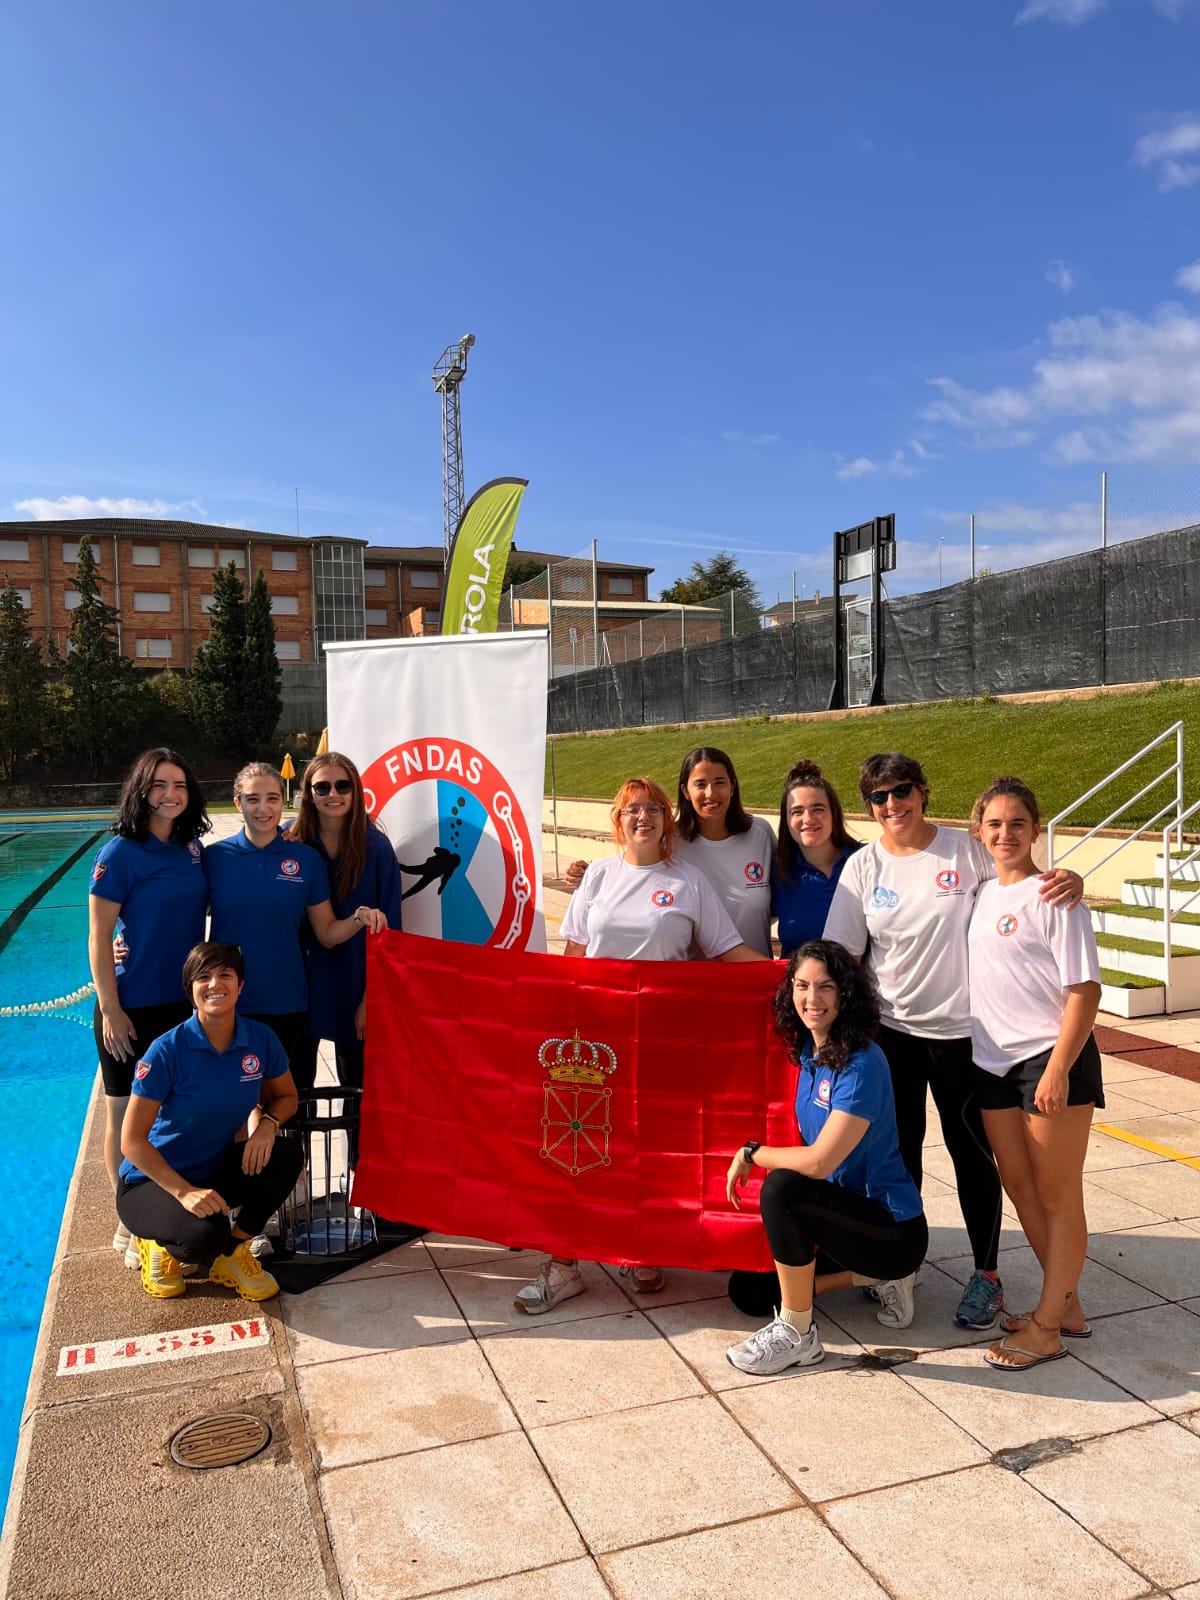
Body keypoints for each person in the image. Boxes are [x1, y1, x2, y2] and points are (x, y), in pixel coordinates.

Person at [823, 751, 1083, 1330]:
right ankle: (901, 1268)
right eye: (880, 796)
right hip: (892, 1036)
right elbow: (843, 956)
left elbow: (1024, 881)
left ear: (923, 791)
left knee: (973, 1159)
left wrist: (1070, 877)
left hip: (965, 1037)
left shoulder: (965, 852)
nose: (893, 804)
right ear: (869, 806)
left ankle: (986, 1275)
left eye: (902, 790)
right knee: (900, 1153)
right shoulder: (864, 868)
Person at [516, 776, 765, 1314]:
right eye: (632, 810)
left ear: (667, 820)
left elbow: (727, 951)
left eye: (654, 808)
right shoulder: (599, 878)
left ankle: (636, 1247)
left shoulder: (688, 881)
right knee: (576, 1146)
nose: (644, 817)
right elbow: (575, 958)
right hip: (595, 1039)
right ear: (618, 821)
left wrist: (789, 974)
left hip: (660, 1038)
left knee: (645, 1146)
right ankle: (563, 1264)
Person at [724, 940, 928, 1374]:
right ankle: (876, 1279)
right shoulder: (810, 1052)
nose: (811, 999)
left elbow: (819, 1163)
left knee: (782, 1187)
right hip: (843, 1217)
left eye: (825, 987)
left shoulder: (862, 1063)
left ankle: (799, 1334)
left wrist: (752, 1154)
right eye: (802, 986)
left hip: (891, 1229)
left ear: (846, 994)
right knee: (749, 1293)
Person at [966, 777, 1104, 1373]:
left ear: (1036, 828)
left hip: (1050, 1061)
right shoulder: (981, 892)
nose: (1005, 834)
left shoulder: (1055, 896)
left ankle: (1048, 1327)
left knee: (1057, 1193)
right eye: (994, 824)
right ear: (979, 832)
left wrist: (1057, 1070)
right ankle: (1064, 1304)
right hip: (992, 1062)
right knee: (1020, 1187)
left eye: (1017, 823)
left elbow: (1085, 989)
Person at [117, 942, 304, 1301]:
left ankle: (232, 1256)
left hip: (211, 1169)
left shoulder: (259, 1039)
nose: (215, 984)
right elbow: (132, 1142)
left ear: (240, 986)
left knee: (286, 1155)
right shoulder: (167, 1050)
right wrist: (183, 1192)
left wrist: (266, 1124)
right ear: (190, 990)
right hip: (149, 1183)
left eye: (225, 975)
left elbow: (286, 1096)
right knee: (203, 1238)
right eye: (203, 977)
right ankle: (155, 1245)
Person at [88, 748, 211, 1268]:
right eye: (160, 785)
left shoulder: (193, 849)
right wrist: (111, 1008)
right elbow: (98, 935)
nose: (170, 794)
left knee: (174, 1112)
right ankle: (130, 1218)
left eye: (179, 785)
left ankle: (173, 1200)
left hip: (182, 1006)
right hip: (132, 1006)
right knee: (124, 1114)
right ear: (141, 790)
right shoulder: (119, 853)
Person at [203, 762, 388, 1082]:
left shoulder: (306, 859)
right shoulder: (214, 858)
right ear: (238, 802)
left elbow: (327, 933)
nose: (263, 808)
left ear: (282, 802)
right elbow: (177, 908)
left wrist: (358, 918)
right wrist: (124, 935)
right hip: (227, 1003)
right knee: (230, 1112)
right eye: (252, 799)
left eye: (273, 798)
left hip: (287, 1004)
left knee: (293, 1109)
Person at [290, 753, 403, 1093]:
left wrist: (372, 998)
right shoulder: (291, 843)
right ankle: (295, 1150)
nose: (333, 794)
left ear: (356, 791)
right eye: (322, 787)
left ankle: (358, 1151)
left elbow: (390, 931)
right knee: (293, 1092)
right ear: (308, 793)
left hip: (355, 981)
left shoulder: (376, 848)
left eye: (342, 786)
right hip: (300, 982)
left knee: (359, 1094)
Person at [672, 746, 775, 956]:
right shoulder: (669, 843)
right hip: (696, 983)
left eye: (720, 782)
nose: (711, 793)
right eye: (700, 784)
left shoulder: (760, 834)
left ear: (732, 787)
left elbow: (783, 897)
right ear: (685, 791)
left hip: (756, 978)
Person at [774, 759, 861, 956]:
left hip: (860, 985)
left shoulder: (865, 861)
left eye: (818, 809)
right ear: (786, 820)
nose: (808, 819)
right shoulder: (777, 871)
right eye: (797, 811)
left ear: (834, 814)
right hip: (801, 985)